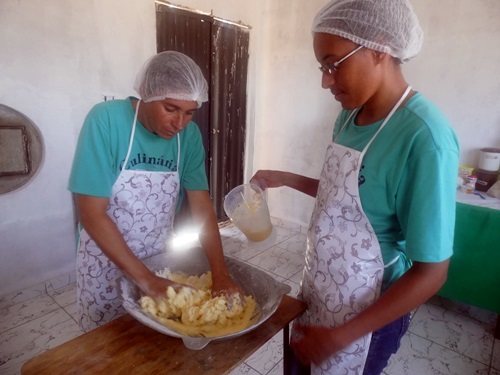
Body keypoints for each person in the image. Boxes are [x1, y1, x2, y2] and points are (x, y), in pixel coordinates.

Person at [251, 0, 459, 374]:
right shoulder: (348, 115)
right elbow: (346, 196)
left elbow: (432, 272)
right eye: (322, 67)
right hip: (318, 290)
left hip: (367, 316)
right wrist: (287, 179)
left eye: (333, 64)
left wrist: (341, 336)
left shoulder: (424, 138)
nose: (325, 81)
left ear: (379, 47)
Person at [69, 51, 242, 332]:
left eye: (190, 112)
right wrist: (146, 281)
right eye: (170, 108)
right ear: (148, 93)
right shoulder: (106, 122)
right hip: (104, 264)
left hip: (158, 260)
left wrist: (220, 274)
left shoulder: (188, 137)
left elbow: (201, 206)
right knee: (107, 345)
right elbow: (91, 213)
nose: (180, 124)